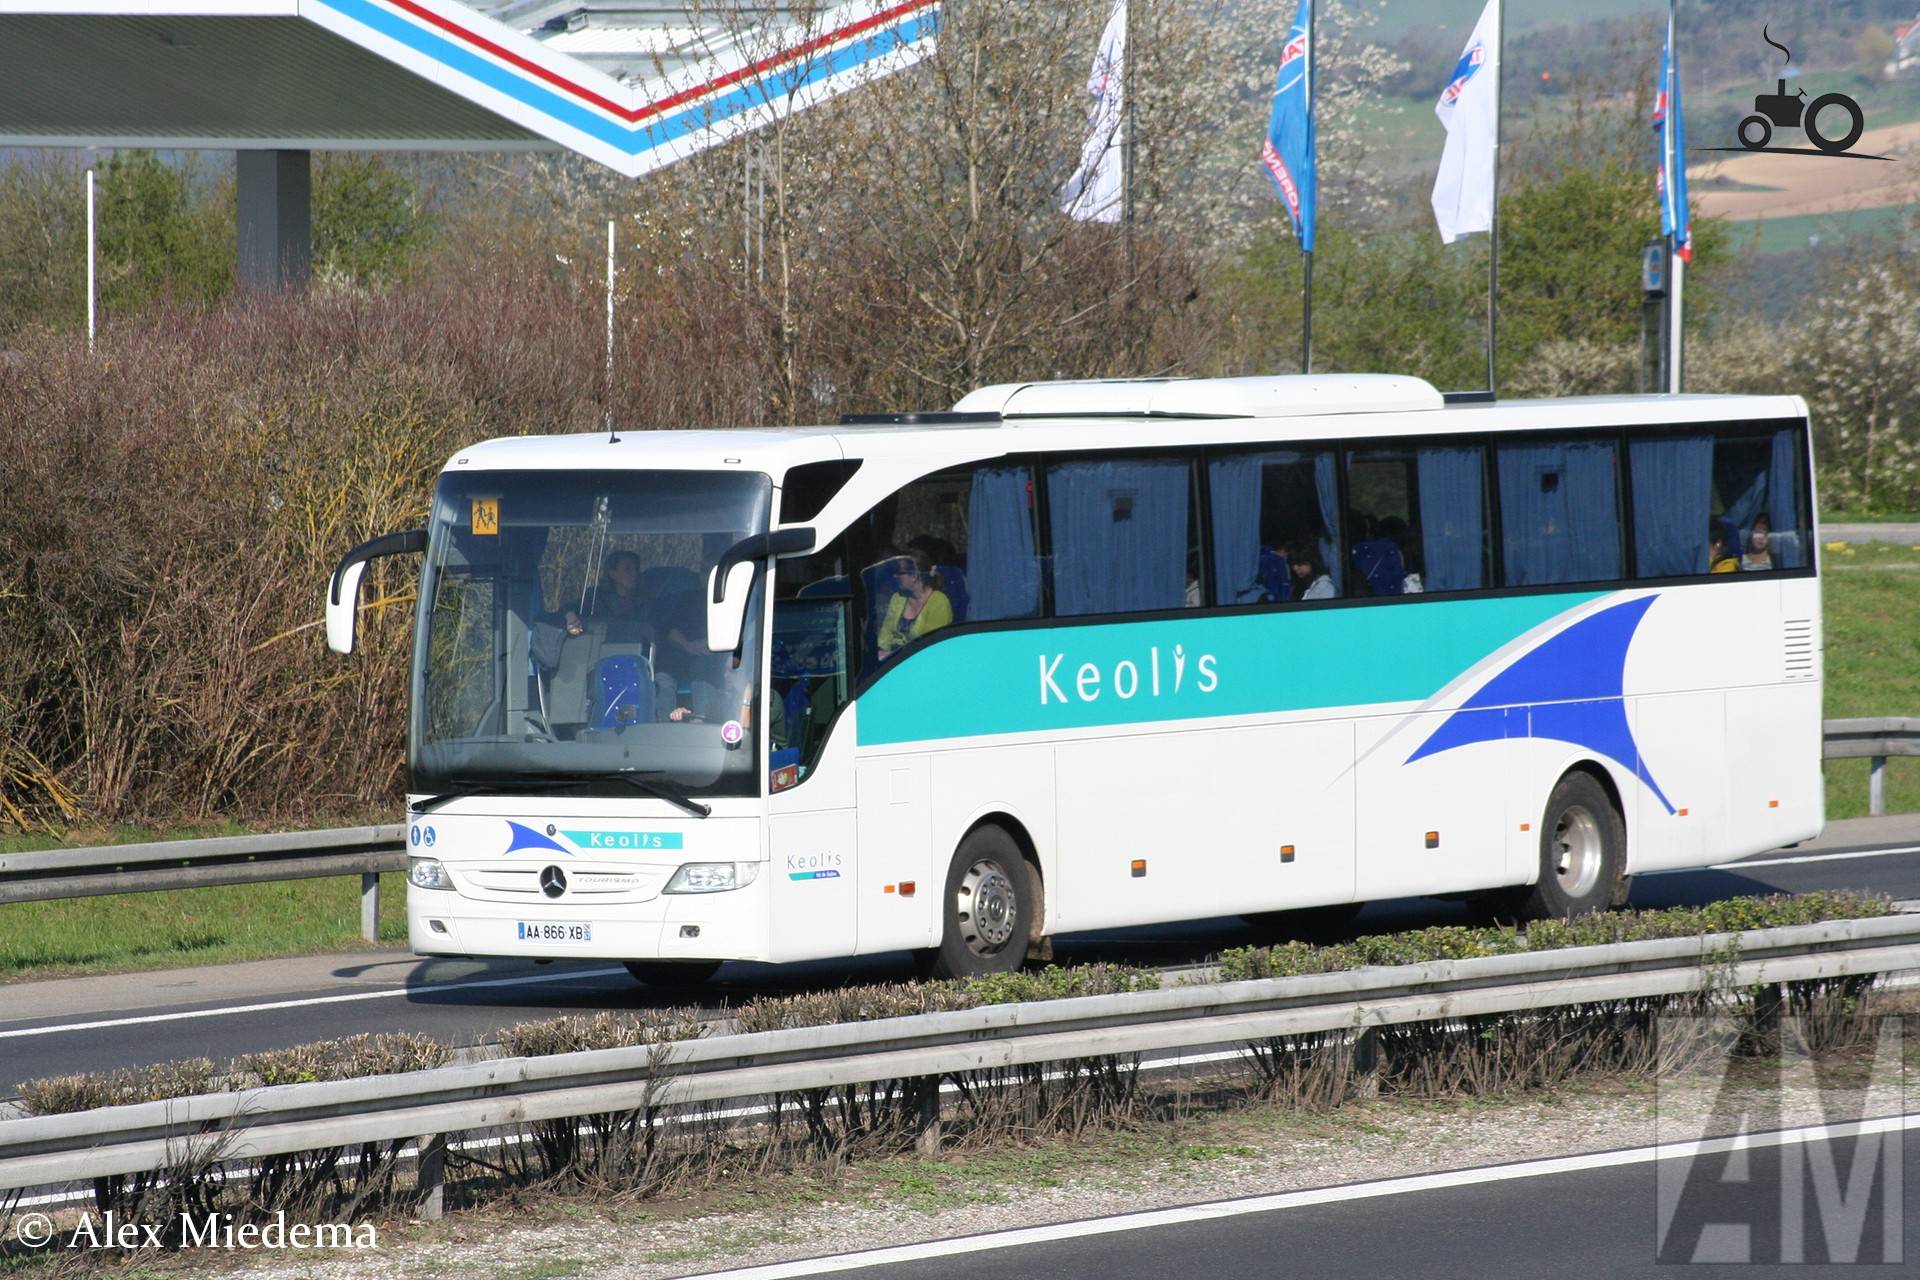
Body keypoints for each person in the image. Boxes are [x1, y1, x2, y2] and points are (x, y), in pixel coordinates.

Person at [876, 549, 953, 659]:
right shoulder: (897, 598)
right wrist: (882, 653)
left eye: (899, 572)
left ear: (914, 576)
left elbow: (931, 647)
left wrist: (894, 656)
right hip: (892, 662)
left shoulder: (939, 602)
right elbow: (886, 634)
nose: (894, 576)